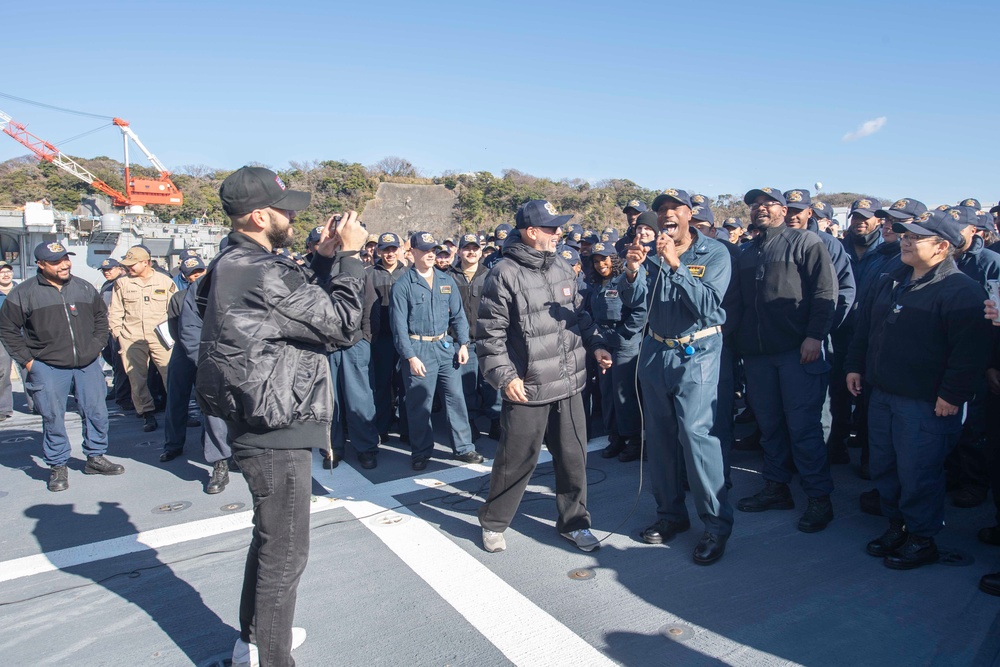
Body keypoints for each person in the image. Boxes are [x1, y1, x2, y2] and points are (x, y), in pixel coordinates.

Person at [196, 166, 367, 666]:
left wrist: (322, 258)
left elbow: (292, 307)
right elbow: (340, 324)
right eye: (284, 207)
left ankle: (252, 638)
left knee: (271, 539)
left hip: (260, 418)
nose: (293, 215)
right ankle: (271, 657)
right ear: (258, 215)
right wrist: (352, 258)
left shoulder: (239, 262)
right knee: (286, 551)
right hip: (275, 424)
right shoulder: (259, 269)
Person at [846, 210, 991, 569]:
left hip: (926, 404)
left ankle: (922, 538)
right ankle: (897, 526)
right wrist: (855, 365)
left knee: (919, 473)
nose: (905, 240)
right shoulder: (891, 278)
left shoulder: (961, 291)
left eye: (915, 237)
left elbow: (969, 353)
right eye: (905, 234)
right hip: (882, 394)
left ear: (943, 247)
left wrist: (951, 395)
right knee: (884, 466)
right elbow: (865, 327)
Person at [476, 200, 612, 554]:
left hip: (570, 382)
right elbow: (490, 335)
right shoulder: (503, 273)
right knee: (516, 459)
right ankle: (493, 522)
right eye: (551, 228)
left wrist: (596, 345)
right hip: (528, 384)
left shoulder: (564, 268)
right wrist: (505, 377)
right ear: (531, 232)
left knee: (573, 457)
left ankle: (575, 523)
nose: (558, 234)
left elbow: (580, 316)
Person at [620, 188, 734, 564]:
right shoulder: (652, 254)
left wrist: (674, 264)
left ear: (689, 214)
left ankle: (716, 525)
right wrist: (634, 269)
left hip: (696, 353)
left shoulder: (715, 253)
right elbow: (635, 302)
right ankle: (670, 515)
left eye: (674, 209)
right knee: (660, 437)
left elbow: (705, 304)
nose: (667, 215)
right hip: (656, 351)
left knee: (696, 437)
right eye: (661, 210)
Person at [735, 187, 839, 533]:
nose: (760, 209)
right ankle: (776, 487)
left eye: (767, 204)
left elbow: (826, 293)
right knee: (770, 426)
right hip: (758, 356)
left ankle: (819, 498)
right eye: (754, 205)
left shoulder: (806, 242)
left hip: (797, 351)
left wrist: (815, 335)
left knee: (804, 428)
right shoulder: (746, 251)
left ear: (783, 209)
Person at [0, 242, 124, 492]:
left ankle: (95, 457)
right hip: (48, 365)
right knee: (52, 415)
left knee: (96, 411)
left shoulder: (83, 287)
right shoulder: (24, 293)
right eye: (56, 261)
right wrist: (28, 360)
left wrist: (97, 345)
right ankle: (58, 465)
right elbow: (8, 329)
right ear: (41, 265)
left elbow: (101, 318)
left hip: (87, 363)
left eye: (66, 258)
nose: (65, 264)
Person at [391, 232, 484, 470]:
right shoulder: (403, 285)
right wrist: (410, 356)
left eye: (433, 249)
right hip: (418, 348)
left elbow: (458, 315)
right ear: (412, 253)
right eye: (425, 250)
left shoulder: (446, 280)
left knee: (456, 398)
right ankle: (421, 452)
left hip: (445, 347)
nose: (431, 254)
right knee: (420, 403)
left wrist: (463, 343)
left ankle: (464, 448)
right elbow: (398, 326)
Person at [161, 257, 233, 494]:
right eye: (192, 273)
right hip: (187, 351)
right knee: (177, 398)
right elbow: (177, 332)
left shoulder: (227, 293)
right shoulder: (180, 299)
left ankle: (221, 457)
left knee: (215, 409)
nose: (196, 275)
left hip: (218, 357)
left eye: (200, 270)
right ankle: (173, 443)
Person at [587, 241, 646, 463]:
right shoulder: (596, 284)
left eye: (604, 259)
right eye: (596, 260)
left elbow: (640, 310)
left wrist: (624, 333)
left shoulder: (625, 280)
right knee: (607, 391)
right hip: (604, 342)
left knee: (624, 392)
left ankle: (633, 439)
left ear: (614, 259)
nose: (601, 264)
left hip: (625, 342)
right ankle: (616, 436)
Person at [108, 245, 178, 432]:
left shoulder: (164, 282)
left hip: (161, 335)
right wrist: (118, 334)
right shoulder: (122, 284)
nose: (129, 268)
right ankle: (146, 412)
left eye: (133, 264)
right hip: (132, 336)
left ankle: (177, 411)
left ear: (145, 262)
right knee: (137, 377)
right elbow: (115, 311)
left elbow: (175, 309)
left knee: (170, 373)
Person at [446, 233, 501, 440]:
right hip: (462, 342)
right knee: (466, 385)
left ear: (480, 251)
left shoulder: (490, 274)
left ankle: (496, 420)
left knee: (491, 384)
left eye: (475, 248)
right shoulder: (448, 276)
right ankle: (470, 421)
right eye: (466, 248)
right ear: (459, 251)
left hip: (488, 339)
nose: (471, 252)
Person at [369, 232, 408, 441]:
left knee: (406, 385)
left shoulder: (410, 273)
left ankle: (406, 429)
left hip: (405, 339)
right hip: (381, 339)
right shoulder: (370, 274)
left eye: (393, 249)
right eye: (385, 249)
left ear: (400, 250)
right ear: (378, 251)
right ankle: (382, 428)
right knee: (382, 384)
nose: (390, 253)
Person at [0, 261, 16, 420]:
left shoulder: (21, 290)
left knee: (31, 371)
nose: (5, 274)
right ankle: (4, 409)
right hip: (2, 337)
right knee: (2, 371)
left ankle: (37, 405)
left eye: (8, 271)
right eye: (1, 272)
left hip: (24, 334)